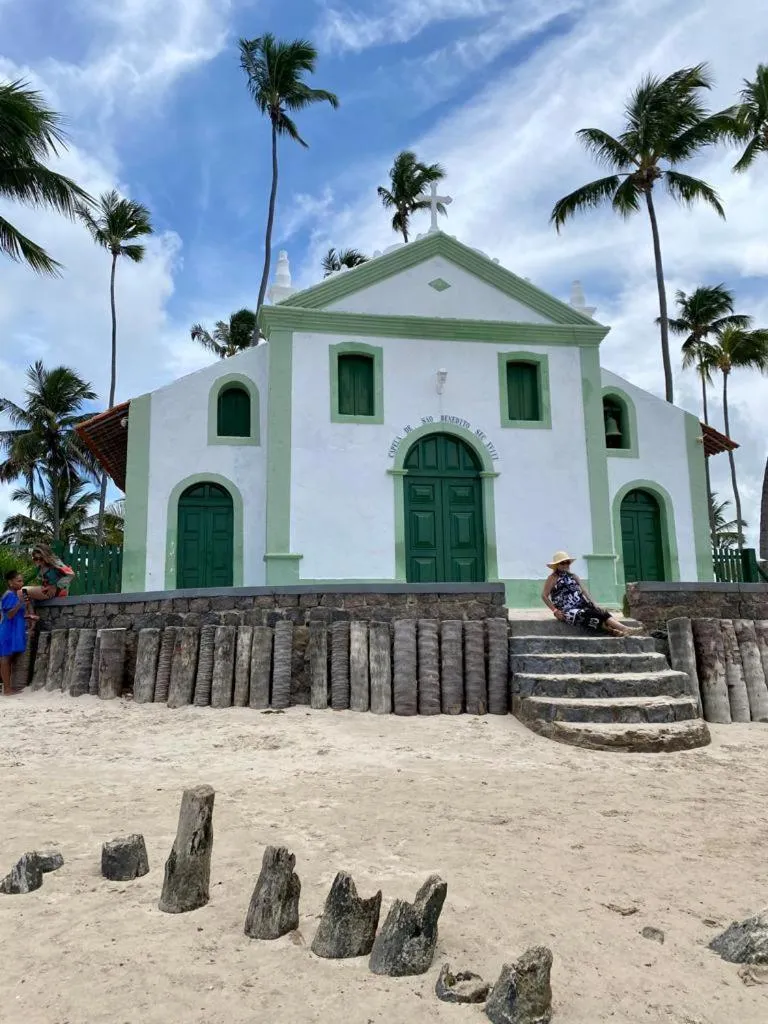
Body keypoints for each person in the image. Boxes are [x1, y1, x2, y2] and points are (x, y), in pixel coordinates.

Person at [541, 551, 642, 637]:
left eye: (567, 562)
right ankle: (616, 631)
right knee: (591, 615)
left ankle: (624, 629)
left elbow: (584, 591)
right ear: (557, 565)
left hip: (582, 604)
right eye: (562, 563)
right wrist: (555, 611)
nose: (565, 565)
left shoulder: (573, 576)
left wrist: (595, 604)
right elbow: (544, 596)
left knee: (600, 612)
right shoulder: (553, 578)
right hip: (567, 610)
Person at [21, 543, 76, 619]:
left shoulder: (55, 562)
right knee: (25, 595)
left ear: (45, 556)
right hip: (47, 590)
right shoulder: (40, 567)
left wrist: (55, 586)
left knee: (23, 590)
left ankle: (31, 614)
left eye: (40, 559)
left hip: (56, 591)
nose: (38, 561)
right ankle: (31, 616)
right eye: (35, 559)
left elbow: (71, 574)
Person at [0, 569, 30, 695]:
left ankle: (8, 687)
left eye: (22, 580)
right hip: (8, 630)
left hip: (14, 629)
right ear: (11, 582)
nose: (21, 583)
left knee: (8, 658)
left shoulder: (15, 595)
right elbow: (10, 615)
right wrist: (20, 603)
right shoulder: (9, 595)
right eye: (19, 581)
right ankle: (7, 689)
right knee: (5, 658)